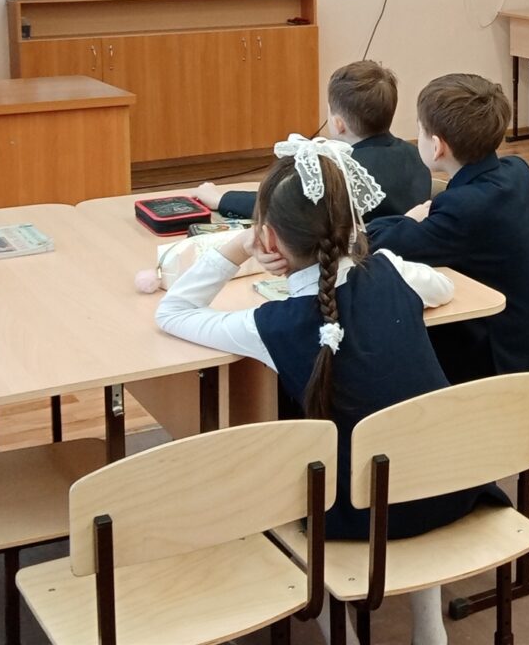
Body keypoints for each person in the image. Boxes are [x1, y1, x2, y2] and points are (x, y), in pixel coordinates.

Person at [156, 141, 500, 645]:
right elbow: (442, 289)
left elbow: (173, 313)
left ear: (270, 238)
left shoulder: (273, 325)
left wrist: (238, 247)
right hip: (450, 484)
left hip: (359, 515)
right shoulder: (392, 272)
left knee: (289, 478)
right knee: (401, 440)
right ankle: (430, 631)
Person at [365, 74, 529, 387]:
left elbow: (378, 241)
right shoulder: (517, 173)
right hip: (527, 337)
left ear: (437, 146)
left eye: (420, 129)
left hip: (494, 356)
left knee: (384, 342)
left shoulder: (464, 209)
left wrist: (411, 217)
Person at [194, 60, 431, 222]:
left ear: (338, 123)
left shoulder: (336, 169)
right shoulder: (416, 155)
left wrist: (220, 199)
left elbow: (284, 206)